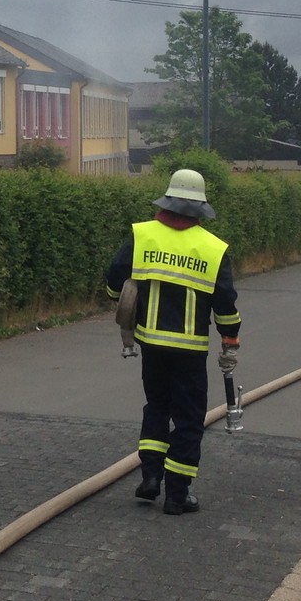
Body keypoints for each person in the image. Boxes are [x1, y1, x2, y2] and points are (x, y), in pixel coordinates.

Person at [104, 168, 241, 517]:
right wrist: (230, 337)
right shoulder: (213, 249)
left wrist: (123, 301)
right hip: (190, 351)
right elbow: (225, 303)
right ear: (200, 209)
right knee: (189, 419)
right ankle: (177, 495)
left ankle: (151, 477)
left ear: (166, 202)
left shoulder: (143, 235)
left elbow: (115, 281)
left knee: (157, 407)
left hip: (151, 345)